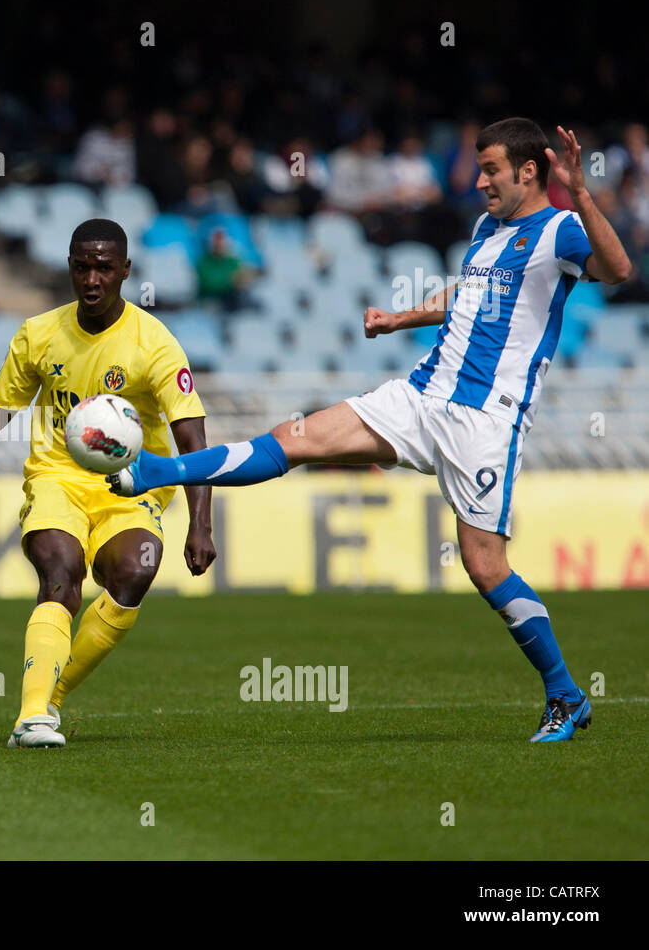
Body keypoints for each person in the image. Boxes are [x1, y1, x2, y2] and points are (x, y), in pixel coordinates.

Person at [109, 119, 633, 744]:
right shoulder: (488, 230)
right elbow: (470, 296)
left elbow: (619, 267)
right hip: (418, 396)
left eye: (490, 169)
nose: (478, 180)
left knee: (484, 565)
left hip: (484, 421)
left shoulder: (561, 230)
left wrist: (581, 192)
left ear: (528, 171)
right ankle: (155, 470)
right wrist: (401, 319)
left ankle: (566, 695)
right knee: (298, 436)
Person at [0, 218, 216, 748]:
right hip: (57, 477)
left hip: (132, 485)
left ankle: (49, 697)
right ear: (69, 266)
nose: (92, 279)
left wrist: (200, 524)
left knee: (133, 572)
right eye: (82, 266)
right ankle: (33, 714)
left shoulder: (155, 344)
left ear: (126, 271)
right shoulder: (39, 333)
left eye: (104, 268)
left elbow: (192, 440)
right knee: (61, 573)